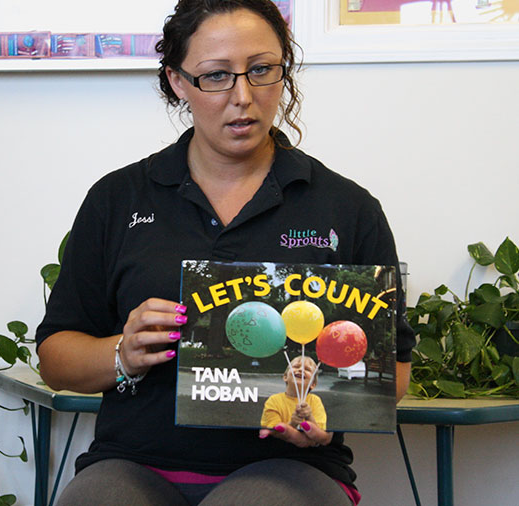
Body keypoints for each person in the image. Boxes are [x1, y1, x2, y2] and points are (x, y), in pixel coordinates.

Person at [36, 0, 415, 504]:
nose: (243, 96)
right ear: (177, 81)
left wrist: (325, 413)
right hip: (133, 461)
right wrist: (120, 354)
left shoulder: (347, 208)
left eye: (261, 70)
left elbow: (395, 369)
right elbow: (56, 355)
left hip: (291, 466)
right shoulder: (118, 199)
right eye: (216, 76)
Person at [261, 356, 328, 434]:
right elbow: (273, 432)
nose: (301, 370)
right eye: (296, 366)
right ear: (285, 377)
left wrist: (309, 416)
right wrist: (292, 423)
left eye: (307, 369)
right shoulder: (273, 400)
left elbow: (320, 433)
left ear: (312, 384)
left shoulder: (315, 401)